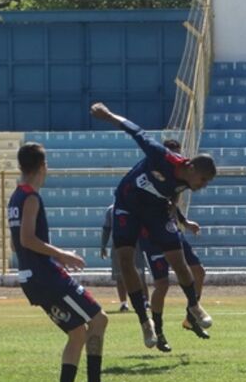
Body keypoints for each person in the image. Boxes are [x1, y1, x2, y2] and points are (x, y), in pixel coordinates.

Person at [8, 142, 127, 382]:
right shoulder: (30, 197)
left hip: (32, 278)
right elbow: (27, 239)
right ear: (42, 166)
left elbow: (16, 242)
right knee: (99, 319)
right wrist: (61, 255)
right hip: (46, 277)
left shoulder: (15, 197)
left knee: (77, 332)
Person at [89, 102, 216, 349]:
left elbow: (174, 193)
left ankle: (193, 305)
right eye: (202, 179)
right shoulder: (162, 157)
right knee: (125, 260)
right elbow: (136, 131)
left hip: (156, 210)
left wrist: (178, 217)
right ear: (190, 167)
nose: (203, 185)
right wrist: (107, 115)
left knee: (179, 260)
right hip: (127, 203)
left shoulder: (186, 182)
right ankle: (145, 323)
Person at [138, 139, 210, 353]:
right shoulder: (153, 174)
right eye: (172, 154)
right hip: (150, 235)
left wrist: (184, 222)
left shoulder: (180, 178)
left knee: (198, 272)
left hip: (170, 230)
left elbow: (170, 203)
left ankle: (191, 317)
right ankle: (158, 332)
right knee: (162, 285)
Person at [100, 203, 148, 313]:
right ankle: (123, 303)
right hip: (118, 245)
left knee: (140, 275)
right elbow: (106, 229)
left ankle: (145, 302)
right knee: (120, 277)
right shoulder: (111, 210)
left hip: (136, 245)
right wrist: (103, 245)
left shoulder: (137, 207)